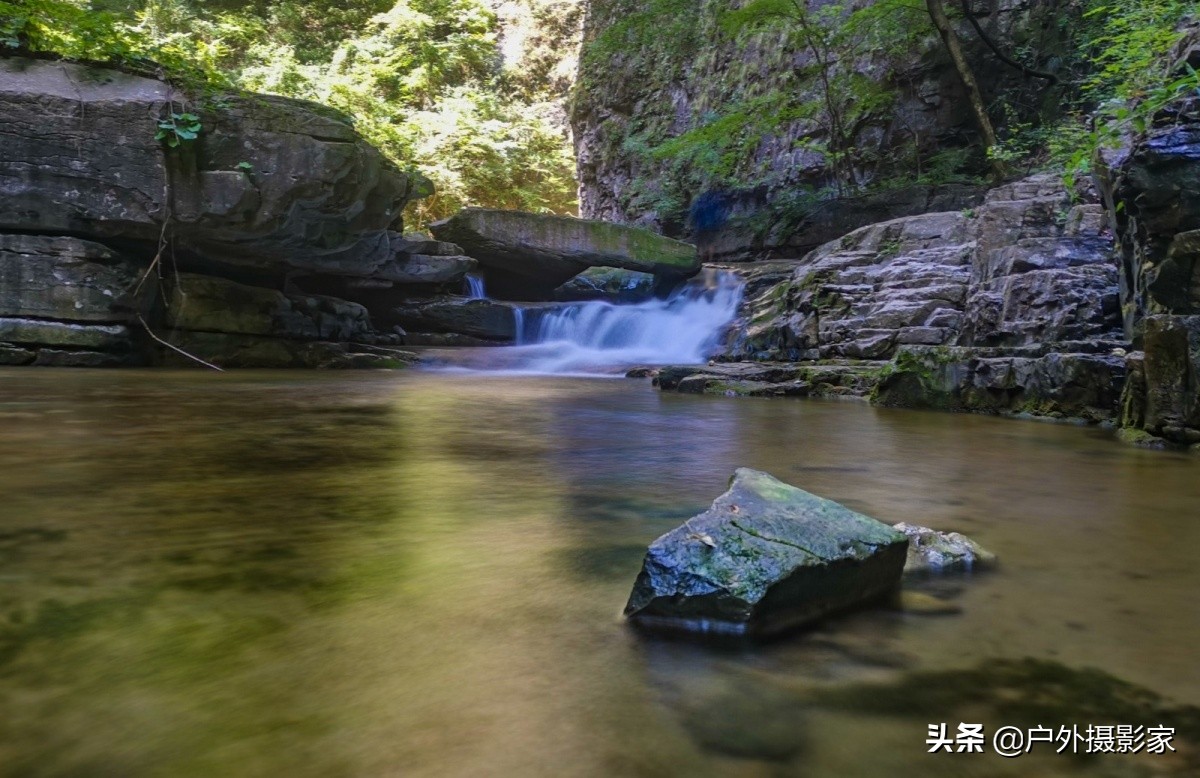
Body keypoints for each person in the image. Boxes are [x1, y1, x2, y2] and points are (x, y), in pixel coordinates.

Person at [688, 188, 730, 263]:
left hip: (700, 226)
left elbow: (694, 213)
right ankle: (710, 260)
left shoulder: (699, 202)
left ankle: (700, 260)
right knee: (711, 243)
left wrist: (693, 223)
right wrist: (722, 223)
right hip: (713, 226)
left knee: (701, 244)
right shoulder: (715, 202)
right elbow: (720, 214)